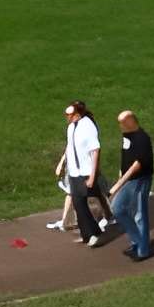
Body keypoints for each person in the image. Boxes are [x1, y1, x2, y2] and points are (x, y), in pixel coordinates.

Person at [54, 100, 104, 244]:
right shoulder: (71, 128)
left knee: (81, 202)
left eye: (70, 115)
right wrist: (62, 163)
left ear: (78, 114)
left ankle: (91, 235)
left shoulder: (88, 126)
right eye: (66, 115)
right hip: (74, 172)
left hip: (86, 172)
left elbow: (95, 151)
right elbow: (70, 147)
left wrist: (92, 176)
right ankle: (91, 232)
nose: (67, 117)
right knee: (79, 203)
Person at [111, 108, 154, 261]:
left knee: (139, 215)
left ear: (130, 122)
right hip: (128, 180)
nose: (120, 126)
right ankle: (138, 241)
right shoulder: (127, 136)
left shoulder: (142, 138)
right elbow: (125, 157)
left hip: (140, 180)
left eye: (122, 123)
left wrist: (119, 184)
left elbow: (137, 165)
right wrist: (120, 177)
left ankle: (142, 250)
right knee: (117, 210)